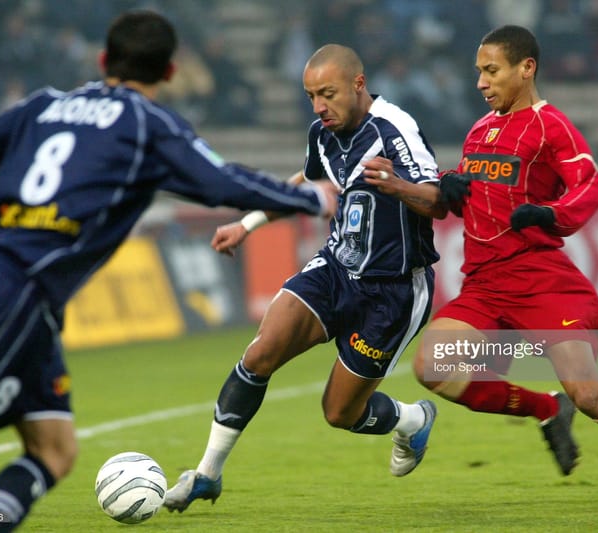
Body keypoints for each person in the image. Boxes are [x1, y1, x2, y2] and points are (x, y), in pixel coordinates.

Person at [0, 10, 337, 532]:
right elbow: (219, 181)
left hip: (17, 301)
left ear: (103, 60)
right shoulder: (147, 124)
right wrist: (308, 197)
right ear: (170, 73)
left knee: (55, 451)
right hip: (16, 298)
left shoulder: (42, 106)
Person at [413, 25, 598, 513]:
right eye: (479, 73)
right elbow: (475, 195)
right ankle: (546, 409)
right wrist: (448, 183)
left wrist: (551, 214)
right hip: (485, 288)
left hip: (543, 284)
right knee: (433, 367)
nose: (482, 83)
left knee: (589, 394)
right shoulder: (479, 131)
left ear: (526, 68)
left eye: (492, 71)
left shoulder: (552, 127)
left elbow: (585, 184)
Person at [163, 43, 446, 512]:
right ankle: (207, 475)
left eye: (327, 93)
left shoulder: (396, 129)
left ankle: (412, 420)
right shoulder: (323, 133)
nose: (319, 106)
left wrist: (396, 185)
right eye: (311, 95)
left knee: (340, 413)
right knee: (260, 353)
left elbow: (437, 200)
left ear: (358, 84)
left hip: (393, 290)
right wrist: (247, 223)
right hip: (336, 268)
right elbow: (305, 181)